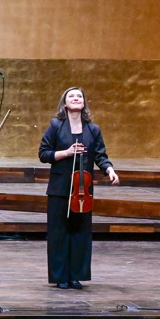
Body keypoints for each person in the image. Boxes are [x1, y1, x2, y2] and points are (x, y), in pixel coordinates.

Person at [38, 85, 119, 290]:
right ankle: (60, 276)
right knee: (58, 234)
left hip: (83, 190)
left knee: (80, 233)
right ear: (64, 103)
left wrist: (109, 170)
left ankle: (75, 275)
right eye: (71, 96)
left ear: (84, 103)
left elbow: (100, 155)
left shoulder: (93, 129)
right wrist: (66, 152)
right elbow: (43, 154)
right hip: (59, 189)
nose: (76, 98)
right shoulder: (55, 125)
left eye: (79, 96)